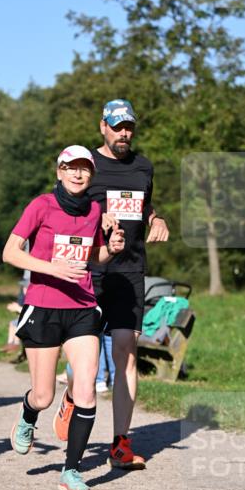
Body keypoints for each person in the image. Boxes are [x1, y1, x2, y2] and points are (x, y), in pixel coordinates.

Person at [2, 144, 125, 490]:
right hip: (43, 307)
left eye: (84, 168)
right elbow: (9, 253)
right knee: (42, 395)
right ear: (59, 171)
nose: (77, 173)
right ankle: (29, 414)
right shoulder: (41, 205)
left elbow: (94, 256)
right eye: (71, 167)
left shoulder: (95, 210)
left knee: (86, 389)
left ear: (91, 174)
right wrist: (51, 268)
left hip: (83, 306)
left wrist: (111, 249)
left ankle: (71, 471)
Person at [55, 100, 169, 470]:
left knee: (125, 351)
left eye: (129, 127)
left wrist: (157, 219)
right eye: (118, 126)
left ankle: (120, 442)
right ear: (102, 126)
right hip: (90, 269)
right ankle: (72, 396)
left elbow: (145, 206)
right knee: (83, 360)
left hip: (130, 271)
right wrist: (95, 215)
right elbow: (64, 208)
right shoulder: (88, 165)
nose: (124, 134)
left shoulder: (143, 167)